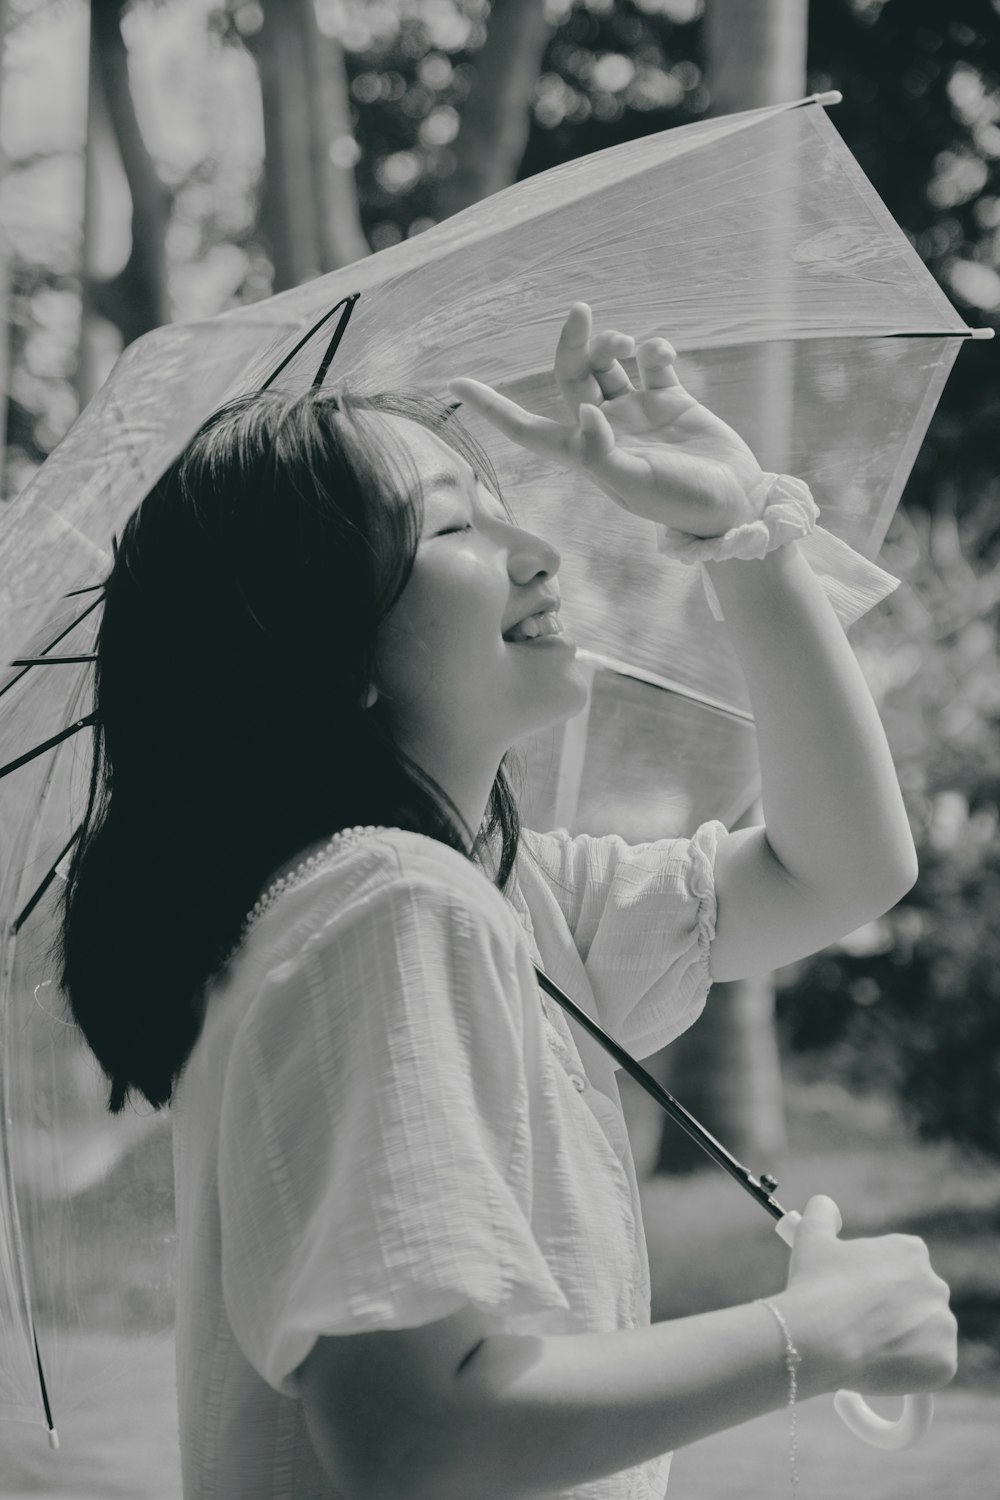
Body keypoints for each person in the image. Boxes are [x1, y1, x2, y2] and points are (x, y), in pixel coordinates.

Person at [58, 303, 956, 1499]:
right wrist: (812, 1336)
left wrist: (744, 530)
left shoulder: (493, 892)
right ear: (328, 649)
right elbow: (413, 1436)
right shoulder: (388, 906)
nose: (536, 548)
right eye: (452, 526)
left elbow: (839, 870)